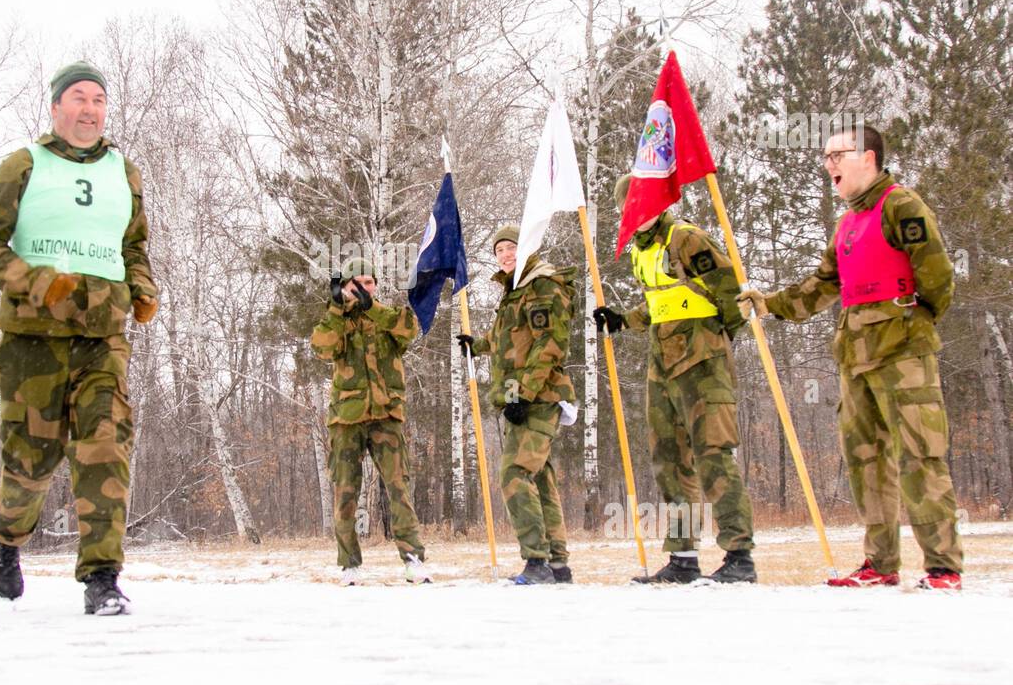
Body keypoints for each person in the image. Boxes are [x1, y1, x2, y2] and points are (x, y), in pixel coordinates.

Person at [0, 60, 159, 615]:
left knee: (105, 446)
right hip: (34, 341)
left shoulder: (124, 172)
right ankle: (6, 539)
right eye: (78, 97)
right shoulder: (22, 166)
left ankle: (102, 579)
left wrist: (142, 288)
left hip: (104, 335)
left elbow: (134, 247)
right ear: (56, 108)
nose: (90, 108)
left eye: (98, 99)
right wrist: (43, 286)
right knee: (31, 463)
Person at [737, 125, 963, 589]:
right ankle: (880, 564)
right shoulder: (846, 223)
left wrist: (915, 323)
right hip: (854, 357)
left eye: (838, 154)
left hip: (903, 353)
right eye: (826, 157)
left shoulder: (902, 206)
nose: (830, 165)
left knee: (921, 456)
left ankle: (942, 566)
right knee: (866, 460)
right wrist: (770, 303)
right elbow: (822, 285)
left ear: (871, 158)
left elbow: (937, 274)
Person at [594, 176, 757, 584]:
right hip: (661, 366)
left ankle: (739, 557)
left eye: (644, 202)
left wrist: (717, 339)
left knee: (713, 455)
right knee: (669, 459)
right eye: (630, 206)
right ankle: (683, 557)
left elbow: (733, 294)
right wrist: (622, 320)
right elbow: (659, 303)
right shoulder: (640, 251)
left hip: (702, 364)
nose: (639, 211)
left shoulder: (686, 239)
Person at [458, 225, 575, 585]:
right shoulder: (513, 293)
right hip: (519, 398)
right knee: (539, 479)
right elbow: (505, 341)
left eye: (512, 248)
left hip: (539, 397)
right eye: (500, 251)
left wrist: (523, 392)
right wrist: (474, 345)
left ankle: (536, 562)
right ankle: (557, 565)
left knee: (514, 473)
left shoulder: (542, 286)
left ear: (527, 249)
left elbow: (550, 345)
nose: (506, 255)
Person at [309, 256, 430, 586]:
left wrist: (371, 307)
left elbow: (409, 329)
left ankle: (413, 559)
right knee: (346, 491)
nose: (365, 287)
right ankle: (350, 564)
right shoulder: (337, 320)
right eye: (357, 282)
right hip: (346, 419)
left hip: (386, 416)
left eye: (370, 282)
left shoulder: (387, 317)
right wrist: (338, 309)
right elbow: (321, 347)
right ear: (346, 286)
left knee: (398, 487)